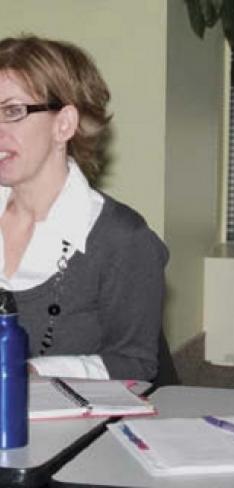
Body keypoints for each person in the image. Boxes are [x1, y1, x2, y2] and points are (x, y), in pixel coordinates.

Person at [0, 35, 168, 381]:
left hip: (75, 427)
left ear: (63, 124)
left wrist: (26, 372)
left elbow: (135, 365)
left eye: (12, 111)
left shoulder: (122, 239)